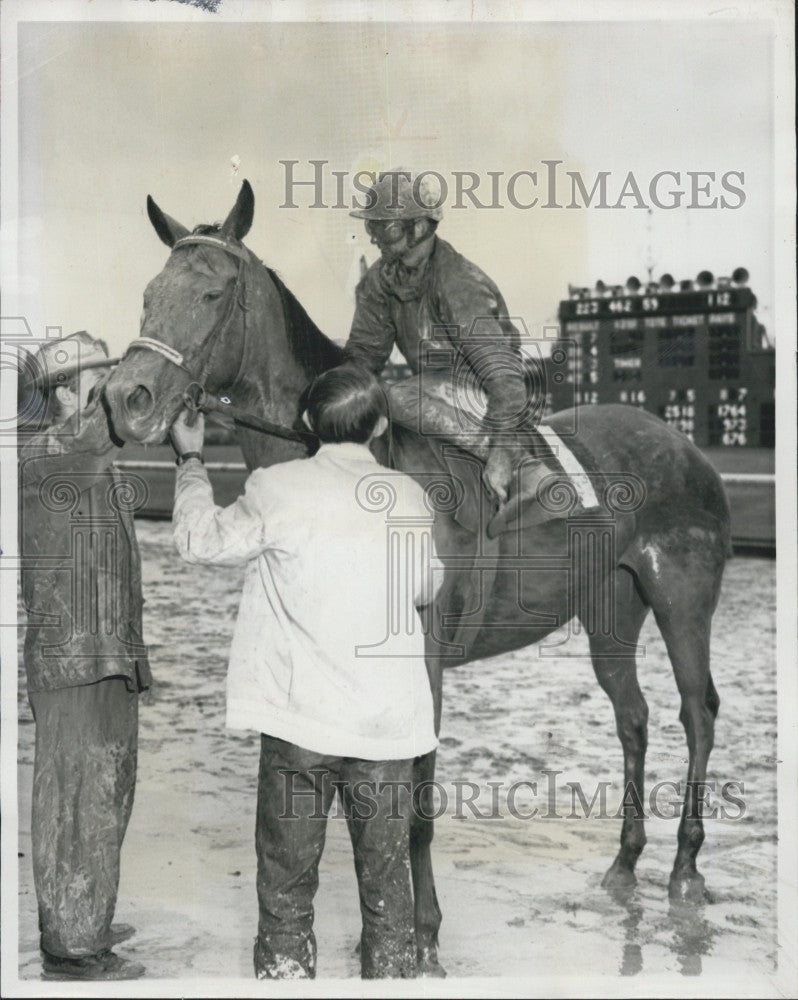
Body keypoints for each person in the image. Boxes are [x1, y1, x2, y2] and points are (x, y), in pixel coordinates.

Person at [171, 364, 442, 979]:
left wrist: (191, 461)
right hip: (387, 734)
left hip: (300, 732)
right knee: (388, 901)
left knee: (287, 898)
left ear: (308, 422)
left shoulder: (276, 487)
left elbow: (196, 541)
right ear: (378, 425)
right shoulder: (410, 497)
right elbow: (426, 588)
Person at [18, 331, 151, 982]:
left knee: (107, 791)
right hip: (76, 662)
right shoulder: (52, 451)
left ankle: (85, 912)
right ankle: (74, 948)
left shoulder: (84, 453)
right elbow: (118, 416)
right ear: (65, 391)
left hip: (105, 654)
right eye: (96, 377)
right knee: (78, 802)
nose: (107, 385)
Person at [344, 167, 564, 526]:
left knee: (394, 397)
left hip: (486, 394)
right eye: (372, 226)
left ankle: (528, 469)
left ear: (419, 227)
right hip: (435, 392)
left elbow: (506, 379)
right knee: (370, 393)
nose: (374, 238)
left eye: (385, 227)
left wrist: (502, 453)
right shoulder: (381, 282)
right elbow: (363, 359)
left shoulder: (458, 284)